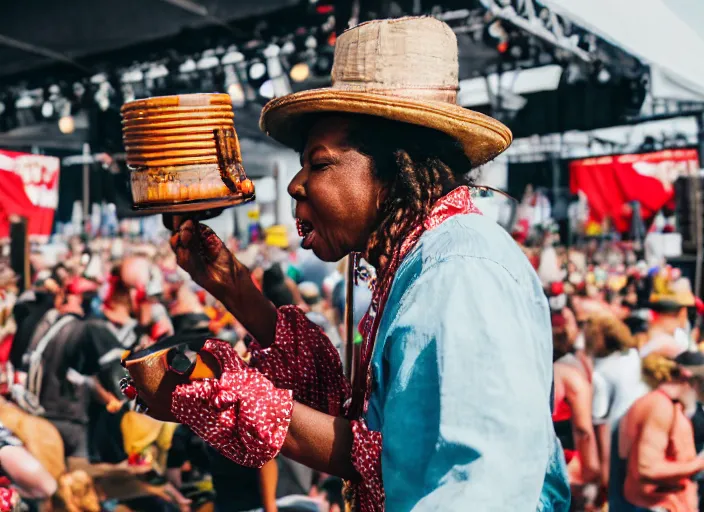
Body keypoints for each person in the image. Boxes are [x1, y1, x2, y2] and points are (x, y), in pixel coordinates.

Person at [146, 17, 568, 511]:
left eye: (318, 163)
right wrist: (234, 288)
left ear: (395, 167)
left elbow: (474, 491)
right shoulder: (416, 258)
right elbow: (373, 443)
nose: (295, 185)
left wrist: (238, 396)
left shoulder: (459, 272)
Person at [610, 352, 704, 511]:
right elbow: (647, 468)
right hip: (650, 506)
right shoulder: (659, 406)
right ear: (689, 377)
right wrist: (699, 463)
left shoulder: (668, 405)